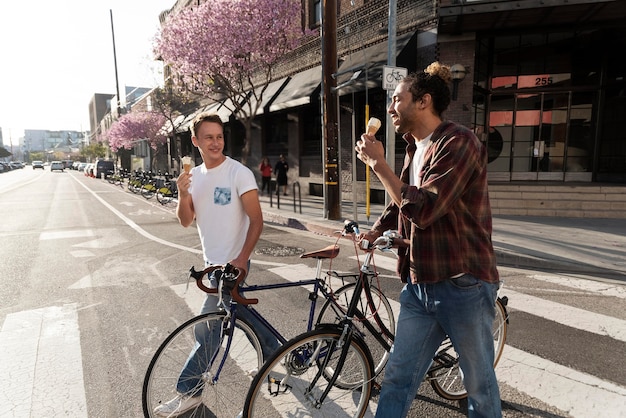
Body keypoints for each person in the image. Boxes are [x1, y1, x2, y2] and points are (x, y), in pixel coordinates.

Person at [355, 62, 501, 418]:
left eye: (396, 99)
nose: (390, 108)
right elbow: (400, 199)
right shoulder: (413, 147)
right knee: (398, 379)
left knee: (478, 386)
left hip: (462, 282)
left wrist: (378, 166)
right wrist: (377, 229)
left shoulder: (459, 142)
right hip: (420, 285)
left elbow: (424, 208)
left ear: (423, 101)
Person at [155, 113, 280, 417]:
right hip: (212, 264)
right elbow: (186, 221)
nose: (215, 142)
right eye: (208, 137)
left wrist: (241, 258)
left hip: (233, 263)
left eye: (220, 136)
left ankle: (188, 390)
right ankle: (278, 354)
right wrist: (183, 193)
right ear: (195, 141)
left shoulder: (238, 173)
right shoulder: (193, 177)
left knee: (207, 328)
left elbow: (257, 219)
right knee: (243, 314)